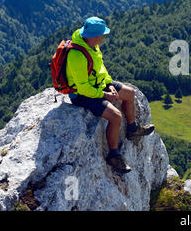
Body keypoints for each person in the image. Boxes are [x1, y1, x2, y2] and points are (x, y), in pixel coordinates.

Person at [66, 17, 155, 174]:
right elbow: (83, 87)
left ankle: (133, 129)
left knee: (130, 93)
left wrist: (109, 85)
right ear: (95, 36)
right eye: (102, 35)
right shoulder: (77, 55)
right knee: (115, 116)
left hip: (99, 84)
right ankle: (114, 156)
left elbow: (100, 68)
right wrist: (104, 95)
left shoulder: (92, 45)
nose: (104, 37)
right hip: (81, 94)